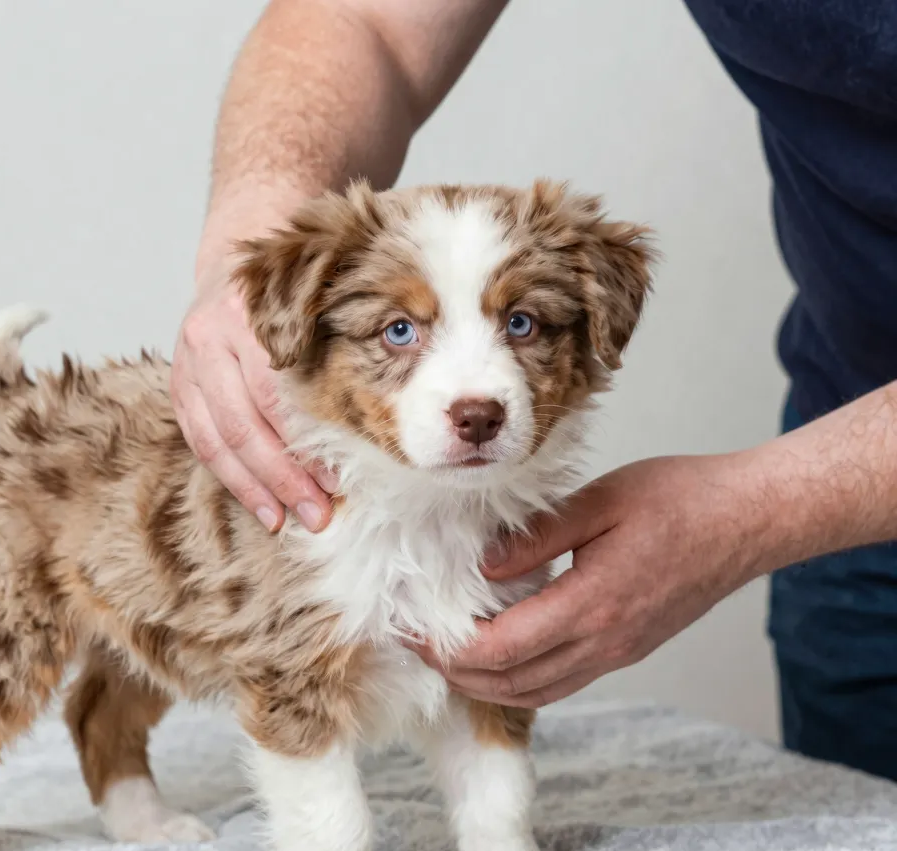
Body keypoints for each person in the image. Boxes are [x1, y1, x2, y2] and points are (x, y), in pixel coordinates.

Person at [170, 0, 897, 781]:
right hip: (851, 429)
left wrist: (761, 510)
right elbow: (364, 20)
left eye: (521, 324)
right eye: (401, 332)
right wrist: (251, 245)